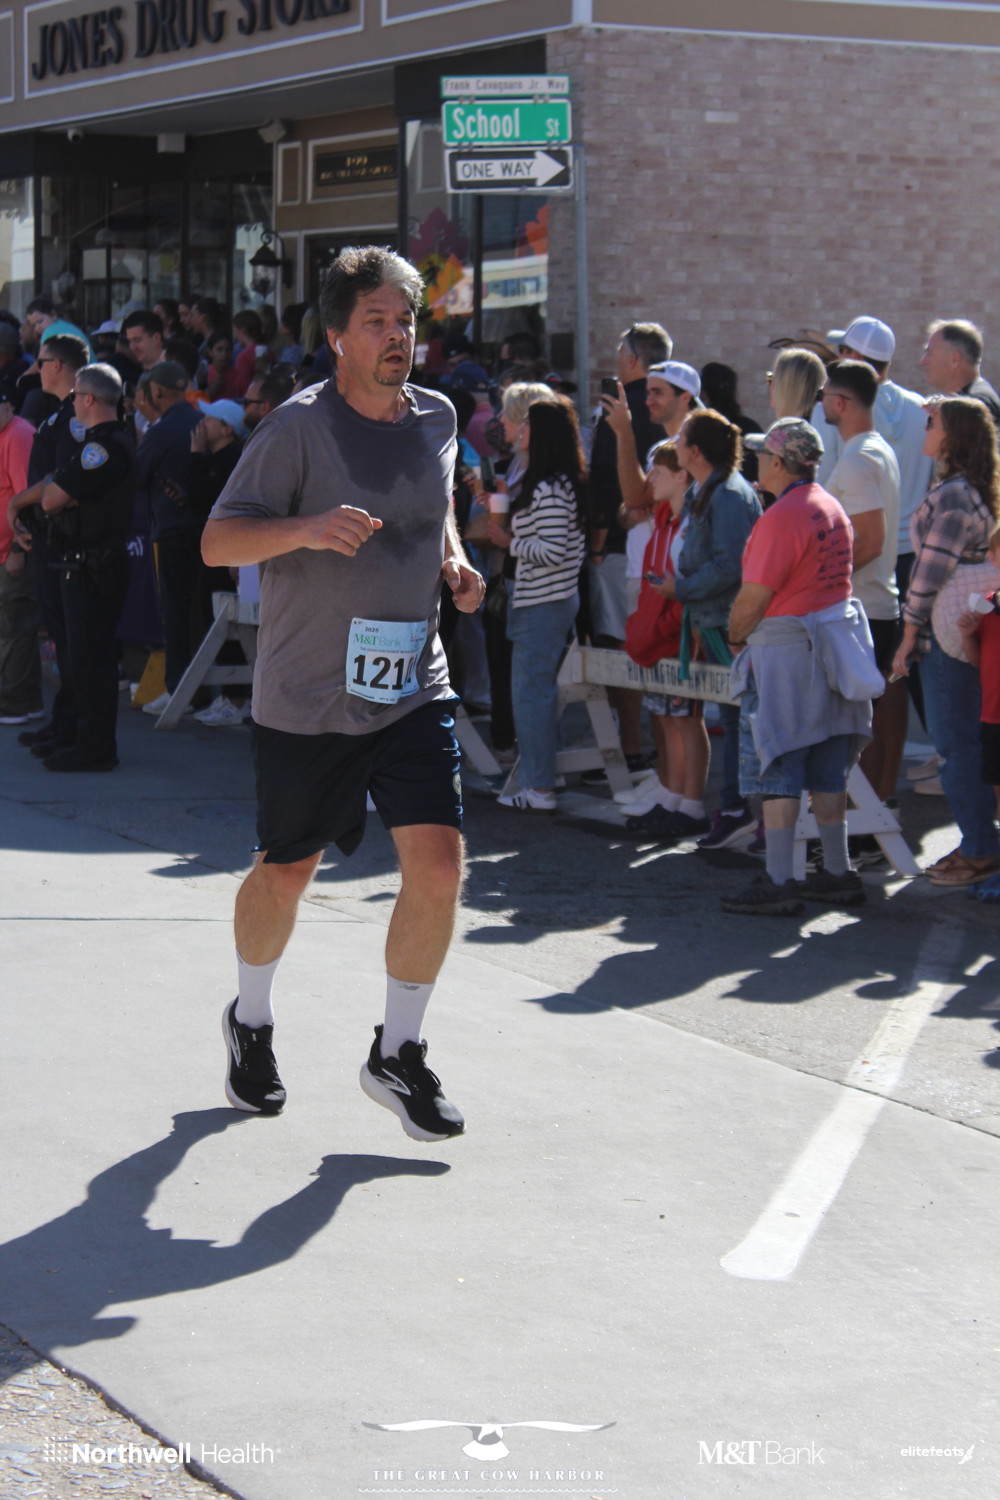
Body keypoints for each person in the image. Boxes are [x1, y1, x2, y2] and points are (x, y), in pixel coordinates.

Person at [201, 244, 484, 1140]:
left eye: (406, 321)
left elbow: (437, 506)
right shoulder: (297, 429)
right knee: (288, 871)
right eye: (376, 321)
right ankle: (250, 1020)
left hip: (411, 683)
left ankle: (398, 1052)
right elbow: (216, 541)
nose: (398, 336)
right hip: (310, 693)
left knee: (438, 866)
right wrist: (308, 528)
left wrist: (455, 562)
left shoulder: (438, 416)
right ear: (337, 337)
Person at [721, 418, 878, 915]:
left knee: (777, 767)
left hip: (788, 654)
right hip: (835, 648)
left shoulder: (781, 517)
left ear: (778, 462)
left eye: (761, 455)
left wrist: (735, 634)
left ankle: (779, 878)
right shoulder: (830, 505)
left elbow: (754, 598)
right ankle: (836, 871)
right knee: (828, 768)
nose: (756, 462)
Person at [891, 397, 1000, 886]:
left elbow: (928, 572)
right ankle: (978, 842)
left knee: (956, 745)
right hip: (967, 625)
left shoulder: (954, 495)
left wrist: (909, 632)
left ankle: (979, 849)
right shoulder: (971, 487)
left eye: (933, 422)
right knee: (970, 740)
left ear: (952, 435)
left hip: (946, 631)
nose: (925, 428)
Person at [658, 409, 762, 844]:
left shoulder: (730, 495)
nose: (675, 443)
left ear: (696, 451)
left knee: (743, 717)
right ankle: (737, 807)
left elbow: (731, 565)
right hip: (714, 620)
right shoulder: (708, 489)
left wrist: (681, 589)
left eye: (682, 437)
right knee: (736, 715)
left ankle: (741, 810)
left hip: (730, 623)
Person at [485, 399, 588, 811]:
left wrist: (509, 542)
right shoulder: (555, 482)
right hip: (544, 599)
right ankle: (544, 775)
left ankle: (540, 787)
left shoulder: (550, 487)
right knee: (537, 694)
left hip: (542, 601)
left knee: (531, 696)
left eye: (528, 422)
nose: (521, 428)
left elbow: (553, 551)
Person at [35, 363, 135, 771]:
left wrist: (60, 489)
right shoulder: (101, 442)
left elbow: (51, 498)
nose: (73, 402)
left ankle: (95, 748)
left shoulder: (104, 447)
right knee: (81, 657)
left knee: (90, 660)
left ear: (90, 399)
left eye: (76, 395)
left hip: (95, 565)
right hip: (86, 561)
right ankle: (79, 737)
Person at [588, 322, 671, 773]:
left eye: (621, 352)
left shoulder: (620, 408)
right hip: (662, 546)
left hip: (624, 547)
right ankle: (655, 756)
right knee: (653, 645)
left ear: (634, 360)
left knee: (623, 644)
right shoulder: (675, 410)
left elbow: (605, 479)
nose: (616, 359)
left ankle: (632, 748)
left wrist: (597, 544)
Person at [821, 360, 901, 815]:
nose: (822, 402)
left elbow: (870, 541)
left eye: (824, 395)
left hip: (863, 609)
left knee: (856, 728)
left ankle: (865, 824)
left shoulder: (858, 459)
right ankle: (870, 821)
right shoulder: (873, 450)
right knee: (864, 723)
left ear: (840, 402)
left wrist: (823, 582)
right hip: (872, 605)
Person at [7, 334, 91, 760]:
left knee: (74, 641)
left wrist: (18, 506)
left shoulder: (77, 416)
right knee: (60, 637)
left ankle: (79, 731)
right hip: (48, 540)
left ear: (58, 365)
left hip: (67, 544)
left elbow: (61, 481)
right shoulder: (58, 414)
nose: (35, 369)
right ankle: (64, 723)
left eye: (40, 362)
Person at [620, 440, 707, 830]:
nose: (650, 479)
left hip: (677, 640)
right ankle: (672, 795)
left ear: (682, 476)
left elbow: (687, 583)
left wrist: (667, 627)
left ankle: (691, 803)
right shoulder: (662, 520)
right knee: (667, 718)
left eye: (658, 472)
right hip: (657, 640)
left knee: (686, 720)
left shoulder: (690, 524)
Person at [133, 361, 202, 713]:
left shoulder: (160, 432)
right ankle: (195, 690)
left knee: (175, 613)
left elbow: (135, 476)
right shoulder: (201, 420)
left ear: (156, 392)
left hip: (173, 532)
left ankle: (178, 689)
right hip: (203, 531)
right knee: (197, 613)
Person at [956, 525, 1000, 900]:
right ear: (993, 558)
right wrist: (969, 634)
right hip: (993, 717)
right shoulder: (986, 607)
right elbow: (977, 661)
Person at [0, 373, 43, 726]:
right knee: (14, 628)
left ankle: (14, 703)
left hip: (13, 552)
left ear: (9, 406)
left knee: (15, 628)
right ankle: (27, 701)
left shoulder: (17, 435)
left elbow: (28, 498)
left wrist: (17, 547)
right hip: (5, 552)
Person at [920, 319, 1000, 430]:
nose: (923, 362)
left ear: (954, 360)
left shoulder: (973, 409)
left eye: (929, 353)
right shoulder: (971, 402)